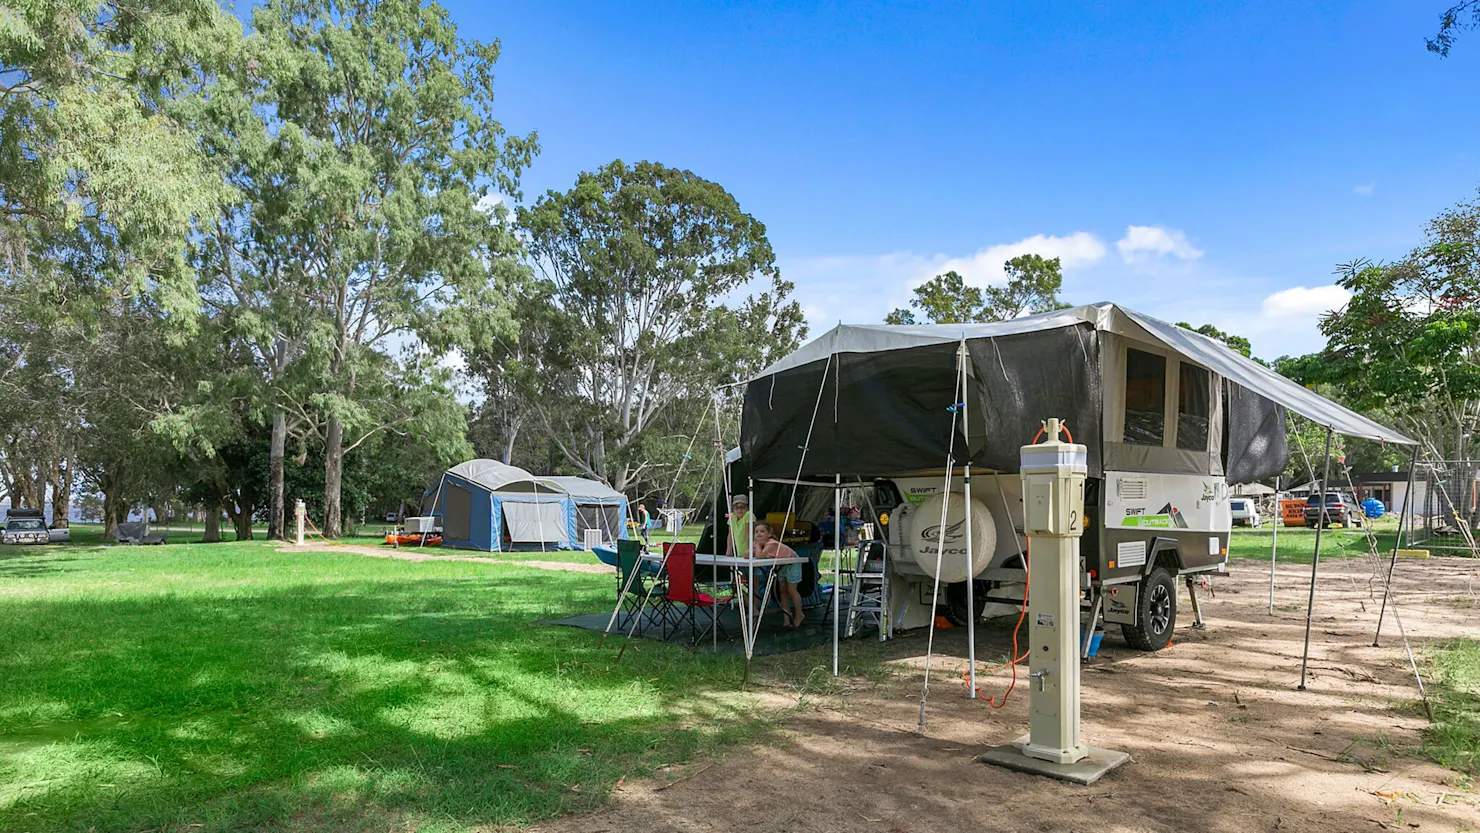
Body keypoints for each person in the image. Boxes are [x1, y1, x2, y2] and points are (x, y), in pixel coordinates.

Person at [753, 521, 806, 628]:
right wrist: (754, 547)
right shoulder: (758, 544)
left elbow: (760, 556)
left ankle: (799, 614)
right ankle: (787, 617)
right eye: (756, 532)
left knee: (792, 590)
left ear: (769, 534)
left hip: (792, 562)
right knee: (783, 590)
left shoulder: (772, 543)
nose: (759, 534)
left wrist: (757, 546)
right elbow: (746, 555)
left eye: (762, 531)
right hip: (782, 564)